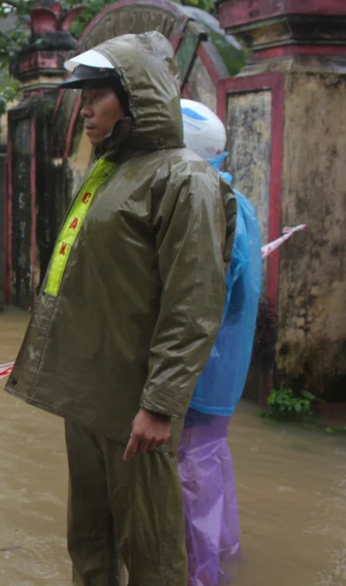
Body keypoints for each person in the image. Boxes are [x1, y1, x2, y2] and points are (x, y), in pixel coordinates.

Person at [4, 32, 236, 585]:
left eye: (97, 95)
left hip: (137, 408)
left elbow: (194, 301)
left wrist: (159, 403)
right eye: (82, 97)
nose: (84, 109)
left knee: (151, 548)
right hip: (84, 396)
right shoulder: (106, 172)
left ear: (135, 98)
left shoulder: (185, 179)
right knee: (87, 535)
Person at [178, 100, 263, 586]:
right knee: (211, 456)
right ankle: (224, 550)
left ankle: (201, 572)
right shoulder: (237, 197)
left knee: (193, 468)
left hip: (203, 364)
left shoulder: (206, 202)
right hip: (226, 363)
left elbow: (209, 290)